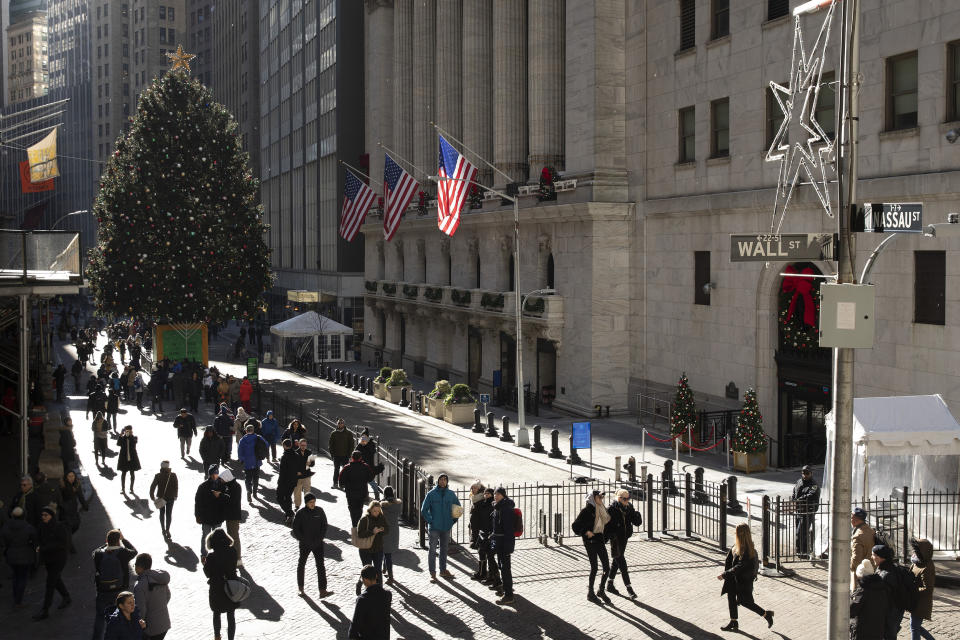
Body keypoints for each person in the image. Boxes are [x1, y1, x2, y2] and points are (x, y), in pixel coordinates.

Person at [718, 523, 774, 632]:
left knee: (745, 602)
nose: (735, 534)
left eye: (736, 532)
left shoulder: (747, 550)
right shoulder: (738, 545)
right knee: (731, 599)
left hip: (742, 581)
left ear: (740, 534)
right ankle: (734, 621)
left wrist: (724, 575)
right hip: (734, 579)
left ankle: (766, 614)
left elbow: (739, 567)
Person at [92, 529, 139, 639]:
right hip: (120, 590)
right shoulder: (123, 553)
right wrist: (123, 539)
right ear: (118, 541)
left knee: (100, 617)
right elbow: (134, 551)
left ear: (107, 541)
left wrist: (106, 543)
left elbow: (95, 551)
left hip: (103, 590)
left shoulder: (99, 555)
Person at [420, 472, 461, 583]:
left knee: (444, 550)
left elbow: (458, 508)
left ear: (447, 482)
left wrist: (452, 521)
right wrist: (430, 521)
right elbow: (424, 509)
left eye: (445, 479)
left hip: (446, 527)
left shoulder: (451, 494)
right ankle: (432, 573)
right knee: (432, 550)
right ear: (438, 481)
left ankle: (443, 570)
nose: (443, 481)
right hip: (434, 527)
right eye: (441, 479)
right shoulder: (431, 494)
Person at [572, 490, 611, 604]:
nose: (601, 499)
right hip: (590, 542)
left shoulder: (602, 509)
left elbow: (606, 523)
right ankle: (590, 593)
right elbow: (575, 526)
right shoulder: (586, 511)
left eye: (602, 497)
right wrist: (586, 532)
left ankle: (601, 590)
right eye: (599, 497)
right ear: (593, 498)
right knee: (594, 567)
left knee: (606, 567)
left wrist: (606, 537)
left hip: (599, 540)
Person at [34, 506, 72, 620]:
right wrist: (39, 546)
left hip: (59, 558)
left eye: (46, 515)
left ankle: (45, 609)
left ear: (51, 516)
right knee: (55, 579)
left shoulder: (59, 527)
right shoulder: (41, 526)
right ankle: (66, 596)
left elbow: (62, 543)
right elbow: (38, 538)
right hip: (48, 558)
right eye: (42, 515)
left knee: (50, 582)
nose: (43, 517)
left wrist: (44, 548)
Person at [292, 492, 332, 598]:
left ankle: (322, 590)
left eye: (314, 502)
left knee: (320, 566)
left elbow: (324, 525)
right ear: (306, 503)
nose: (312, 504)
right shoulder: (300, 513)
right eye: (310, 502)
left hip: (318, 543)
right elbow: (296, 529)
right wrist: (303, 539)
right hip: (305, 544)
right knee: (301, 565)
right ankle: (301, 588)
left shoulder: (320, 511)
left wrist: (320, 538)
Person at [606, 489, 642, 598]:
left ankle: (609, 584)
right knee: (622, 562)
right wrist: (611, 535)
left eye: (628, 498)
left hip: (624, 537)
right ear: (619, 498)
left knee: (616, 561)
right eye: (625, 499)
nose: (627, 501)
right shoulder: (612, 509)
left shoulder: (629, 507)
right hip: (615, 539)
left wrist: (636, 514)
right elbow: (606, 526)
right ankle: (629, 588)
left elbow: (637, 523)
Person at [203, 528, 238, 640]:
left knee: (216, 613)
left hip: (216, 588)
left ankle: (217, 636)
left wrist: (205, 564)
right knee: (231, 615)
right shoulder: (233, 551)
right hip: (231, 586)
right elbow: (233, 567)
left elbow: (208, 573)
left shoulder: (211, 556)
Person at [1, 506, 36, 607]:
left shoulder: (7, 527)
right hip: (25, 556)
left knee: (16, 577)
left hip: (11, 555)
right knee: (22, 578)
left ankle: (15, 597)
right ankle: (18, 600)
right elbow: (34, 540)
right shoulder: (28, 527)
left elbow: (3, 539)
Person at [348, 564, 392, 640]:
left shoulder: (362, 600)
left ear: (364, 579)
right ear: (376, 576)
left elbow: (354, 627)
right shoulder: (387, 595)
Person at [132, 554, 171, 640]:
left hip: (150, 628)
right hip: (164, 624)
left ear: (140, 567)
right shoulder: (159, 577)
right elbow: (168, 595)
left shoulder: (139, 586)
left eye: (135, 565)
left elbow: (141, 610)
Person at [850, 558, 891, 640]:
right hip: (878, 629)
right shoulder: (882, 587)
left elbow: (851, 611)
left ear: (861, 576)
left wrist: (852, 596)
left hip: (863, 631)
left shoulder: (862, 591)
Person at [194, 466, 229, 560]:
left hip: (217, 517)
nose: (215, 476)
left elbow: (226, 500)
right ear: (210, 474)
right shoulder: (203, 486)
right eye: (213, 474)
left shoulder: (222, 485)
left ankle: (216, 553)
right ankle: (204, 554)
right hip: (206, 517)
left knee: (217, 536)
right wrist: (197, 515)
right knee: (205, 536)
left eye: (216, 473)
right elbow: (198, 502)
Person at [873, 544, 905, 639]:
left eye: (873, 555)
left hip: (891, 612)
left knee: (889, 635)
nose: (872, 557)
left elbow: (884, 596)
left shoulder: (886, 574)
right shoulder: (889, 567)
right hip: (895, 610)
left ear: (880, 557)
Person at [490, 487, 516, 605]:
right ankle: (505, 590)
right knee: (502, 567)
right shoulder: (497, 507)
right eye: (495, 494)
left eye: (498, 494)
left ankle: (509, 595)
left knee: (505, 569)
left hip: (504, 543)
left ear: (503, 496)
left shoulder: (505, 509)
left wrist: (509, 546)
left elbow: (509, 530)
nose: (496, 496)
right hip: (499, 542)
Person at [907, 539, 936, 640]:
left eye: (916, 551)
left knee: (914, 626)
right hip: (915, 600)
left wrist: (913, 590)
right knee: (916, 626)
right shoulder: (916, 562)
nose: (914, 553)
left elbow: (928, 588)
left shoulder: (927, 567)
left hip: (922, 602)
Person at [356, 501, 389, 585]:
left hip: (378, 548)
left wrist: (382, 530)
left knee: (378, 570)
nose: (377, 513)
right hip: (366, 550)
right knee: (367, 571)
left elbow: (387, 529)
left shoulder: (382, 517)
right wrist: (372, 532)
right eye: (375, 511)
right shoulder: (364, 519)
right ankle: (362, 584)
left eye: (378, 511)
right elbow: (359, 534)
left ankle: (379, 590)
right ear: (370, 510)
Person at [470, 487, 498, 586]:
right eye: (485, 494)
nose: (486, 495)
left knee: (489, 555)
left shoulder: (493, 505)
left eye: (489, 494)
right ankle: (482, 572)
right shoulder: (482, 504)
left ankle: (492, 576)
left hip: (489, 533)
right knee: (481, 552)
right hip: (482, 532)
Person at [791, 465, 821, 558]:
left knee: (802, 532)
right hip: (799, 510)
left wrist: (799, 499)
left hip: (808, 511)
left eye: (807, 473)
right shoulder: (799, 481)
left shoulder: (814, 485)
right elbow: (795, 490)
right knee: (798, 532)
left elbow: (811, 495)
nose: (805, 475)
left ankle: (804, 552)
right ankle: (799, 550)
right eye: (803, 473)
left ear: (811, 473)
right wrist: (794, 499)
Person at [340, 451, 374, 526]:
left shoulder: (347, 467)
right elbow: (371, 478)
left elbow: (341, 481)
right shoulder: (365, 467)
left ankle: (354, 524)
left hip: (350, 493)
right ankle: (357, 523)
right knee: (359, 508)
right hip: (362, 492)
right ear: (360, 458)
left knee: (352, 509)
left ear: (352, 458)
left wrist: (345, 485)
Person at [236, 424, 269, 503]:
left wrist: (242, 459)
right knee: (256, 478)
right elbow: (267, 444)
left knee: (248, 478)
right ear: (253, 430)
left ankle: (249, 491)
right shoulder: (258, 437)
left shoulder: (243, 440)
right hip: (257, 461)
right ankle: (254, 492)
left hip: (247, 462)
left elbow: (240, 451)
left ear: (246, 431)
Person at [219, 469, 244, 567]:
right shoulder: (229, 485)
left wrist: (221, 495)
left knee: (234, 537)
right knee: (231, 536)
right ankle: (233, 557)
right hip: (230, 515)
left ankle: (238, 558)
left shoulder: (235, 487)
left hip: (233, 516)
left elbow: (232, 501)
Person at [149, 462, 179, 540]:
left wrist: (152, 497)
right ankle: (168, 530)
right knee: (169, 514)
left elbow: (152, 487)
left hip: (161, 497)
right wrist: (175, 495)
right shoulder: (173, 475)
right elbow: (176, 486)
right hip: (171, 497)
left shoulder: (158, 476)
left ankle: (163, 529)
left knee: (162, 513)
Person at [379, 486, 402, 585]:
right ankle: (385, 569)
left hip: (384, 531)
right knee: (388, 552)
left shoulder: (382, 505)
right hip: (394, 531)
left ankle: (391, 577)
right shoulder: (398, 505)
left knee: (386, 553)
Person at [850, 508, 876, 591]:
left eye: (851, 517)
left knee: (857, 594)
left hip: (862, 570)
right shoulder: (870, 530)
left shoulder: (858, 536)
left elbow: (856, 557)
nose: (850, 519)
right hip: (873, 566)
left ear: (855, 519)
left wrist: (852, 568)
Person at [60, 469, 90, 539]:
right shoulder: (62, 486)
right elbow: (59, 498)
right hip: (65, 511)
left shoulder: (76, 485)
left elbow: (80, 496)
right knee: (68, 527)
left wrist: (85, 505)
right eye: (69, 476)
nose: (71, 478)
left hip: (73, 509)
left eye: (73, 476)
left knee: (76, 524)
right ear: (66, 477)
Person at [277, 439, 299, 524]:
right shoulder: (296, 455)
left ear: (284, 446)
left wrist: (279, 482)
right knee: (288, 497)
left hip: (284, 481)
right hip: (293, 481)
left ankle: (290, 513)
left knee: (279, 497)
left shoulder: (284, 457)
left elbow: (282, 472)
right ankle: (288, 516)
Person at [328, 418, 354, 488]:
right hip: (336, 455)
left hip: (345, 455)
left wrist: (349, 454)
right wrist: (332, 454)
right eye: (339, 423)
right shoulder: (334, 433)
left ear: (344, 424)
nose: (340, 424)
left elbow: (351, 444)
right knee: (336, 469)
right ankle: (335, 483)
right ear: (337, 424)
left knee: (344, 470)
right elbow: (331, 444)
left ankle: (343, 483)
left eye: (341, 423)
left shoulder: (348, 433)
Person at [292, 438, 316, 510]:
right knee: (297, 492)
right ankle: (297, 505)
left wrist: (310, 463)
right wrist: (296, 472)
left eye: (305, 445)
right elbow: (292, 465)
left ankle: (308, 505)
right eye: (302, 445)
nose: (303, 447)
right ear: (299, 444)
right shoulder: (295, 453)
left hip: (307, 475)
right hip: (298, 476)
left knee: (307, 491)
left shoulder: (309, 452)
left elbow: (313, 463)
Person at [117, 425, 142, 494]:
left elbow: (134, 443)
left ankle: (131, 488)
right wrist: (121, 435)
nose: (127, 432)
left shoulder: (134, 437)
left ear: (131, 431)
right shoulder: (123, 438)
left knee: (132, 473)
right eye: (126, 430)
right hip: (124, 458)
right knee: (123, 473)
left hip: (132, 458)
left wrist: (130, 435)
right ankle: (123, 488)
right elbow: (118, 444)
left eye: (129, 430)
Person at [357, 432, 382, 500]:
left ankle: (376, 494)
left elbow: (373, 451)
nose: (363, 438)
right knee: (363, 482)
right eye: (362, 436)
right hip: (361, 466)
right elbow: (355, 452)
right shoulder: (360, 444)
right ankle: (365, 495)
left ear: (367, 437)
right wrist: (361, 444)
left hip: (369, 466)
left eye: (365, 436)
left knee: (371, 482)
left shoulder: (371, 444)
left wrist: (366, 444)